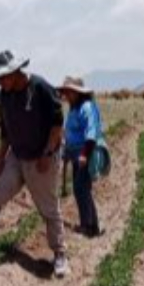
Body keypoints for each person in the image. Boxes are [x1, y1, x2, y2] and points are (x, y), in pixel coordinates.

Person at [0, 51, 69, 277]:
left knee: (48, 208)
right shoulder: (5, 95)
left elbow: (57, 125)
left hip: (41, 158)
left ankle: (60, 255)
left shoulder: (41, 88)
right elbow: (5, 131)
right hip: (17, 157)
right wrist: (0, 160)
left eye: (1, 77)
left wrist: (47, 154)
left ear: (14, 72)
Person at [58, 76, 107, 238]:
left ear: (78, 93)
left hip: (85, 152)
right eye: (66, 92)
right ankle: (91, 224)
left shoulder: (87, 107)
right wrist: (65, 151)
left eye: (70, 92)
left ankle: (89, 226)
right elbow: (69, 132)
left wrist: (84, 155)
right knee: (81, 189)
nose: (67, 95)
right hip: (74, 153)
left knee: (80, 188)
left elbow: (91, 134)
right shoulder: (73, 108)